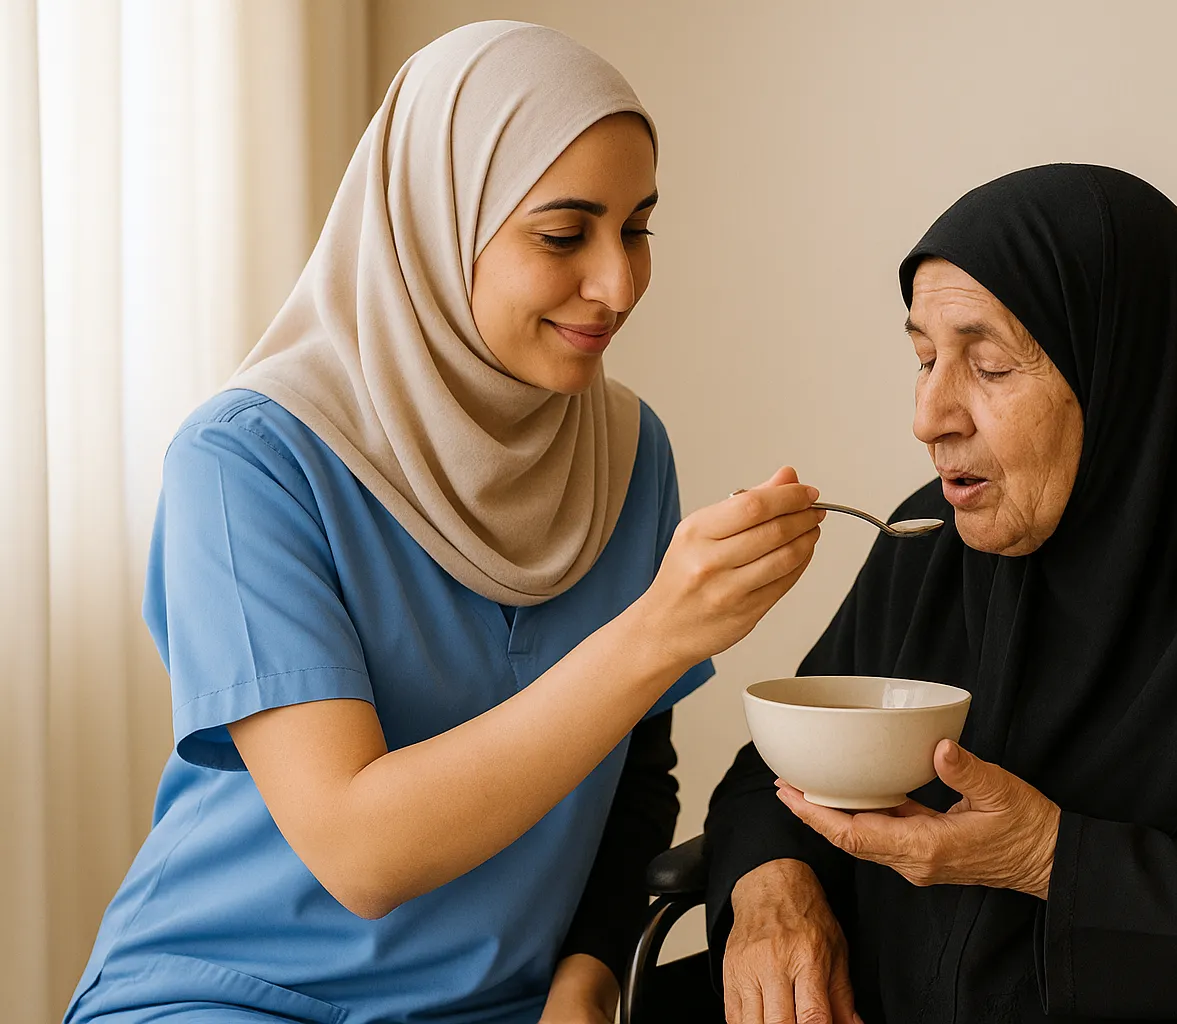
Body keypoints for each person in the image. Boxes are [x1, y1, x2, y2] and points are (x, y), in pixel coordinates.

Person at [65, 22, 823, 1024]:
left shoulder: (632, 455)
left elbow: (638, 772)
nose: (620, 283)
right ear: (434, 223)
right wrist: (659, 632)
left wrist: (589, 972)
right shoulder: (246, 462)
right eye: (563, 235)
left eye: (637, 227)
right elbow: (360, 851)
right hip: (232, 994)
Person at [705, 164, 1177, 1024]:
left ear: (1119, 370)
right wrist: (773, 892)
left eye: (987, 365)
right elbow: (774, 774)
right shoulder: (931, 543)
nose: (929, 415)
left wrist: (1049, 858)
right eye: (923, 357)